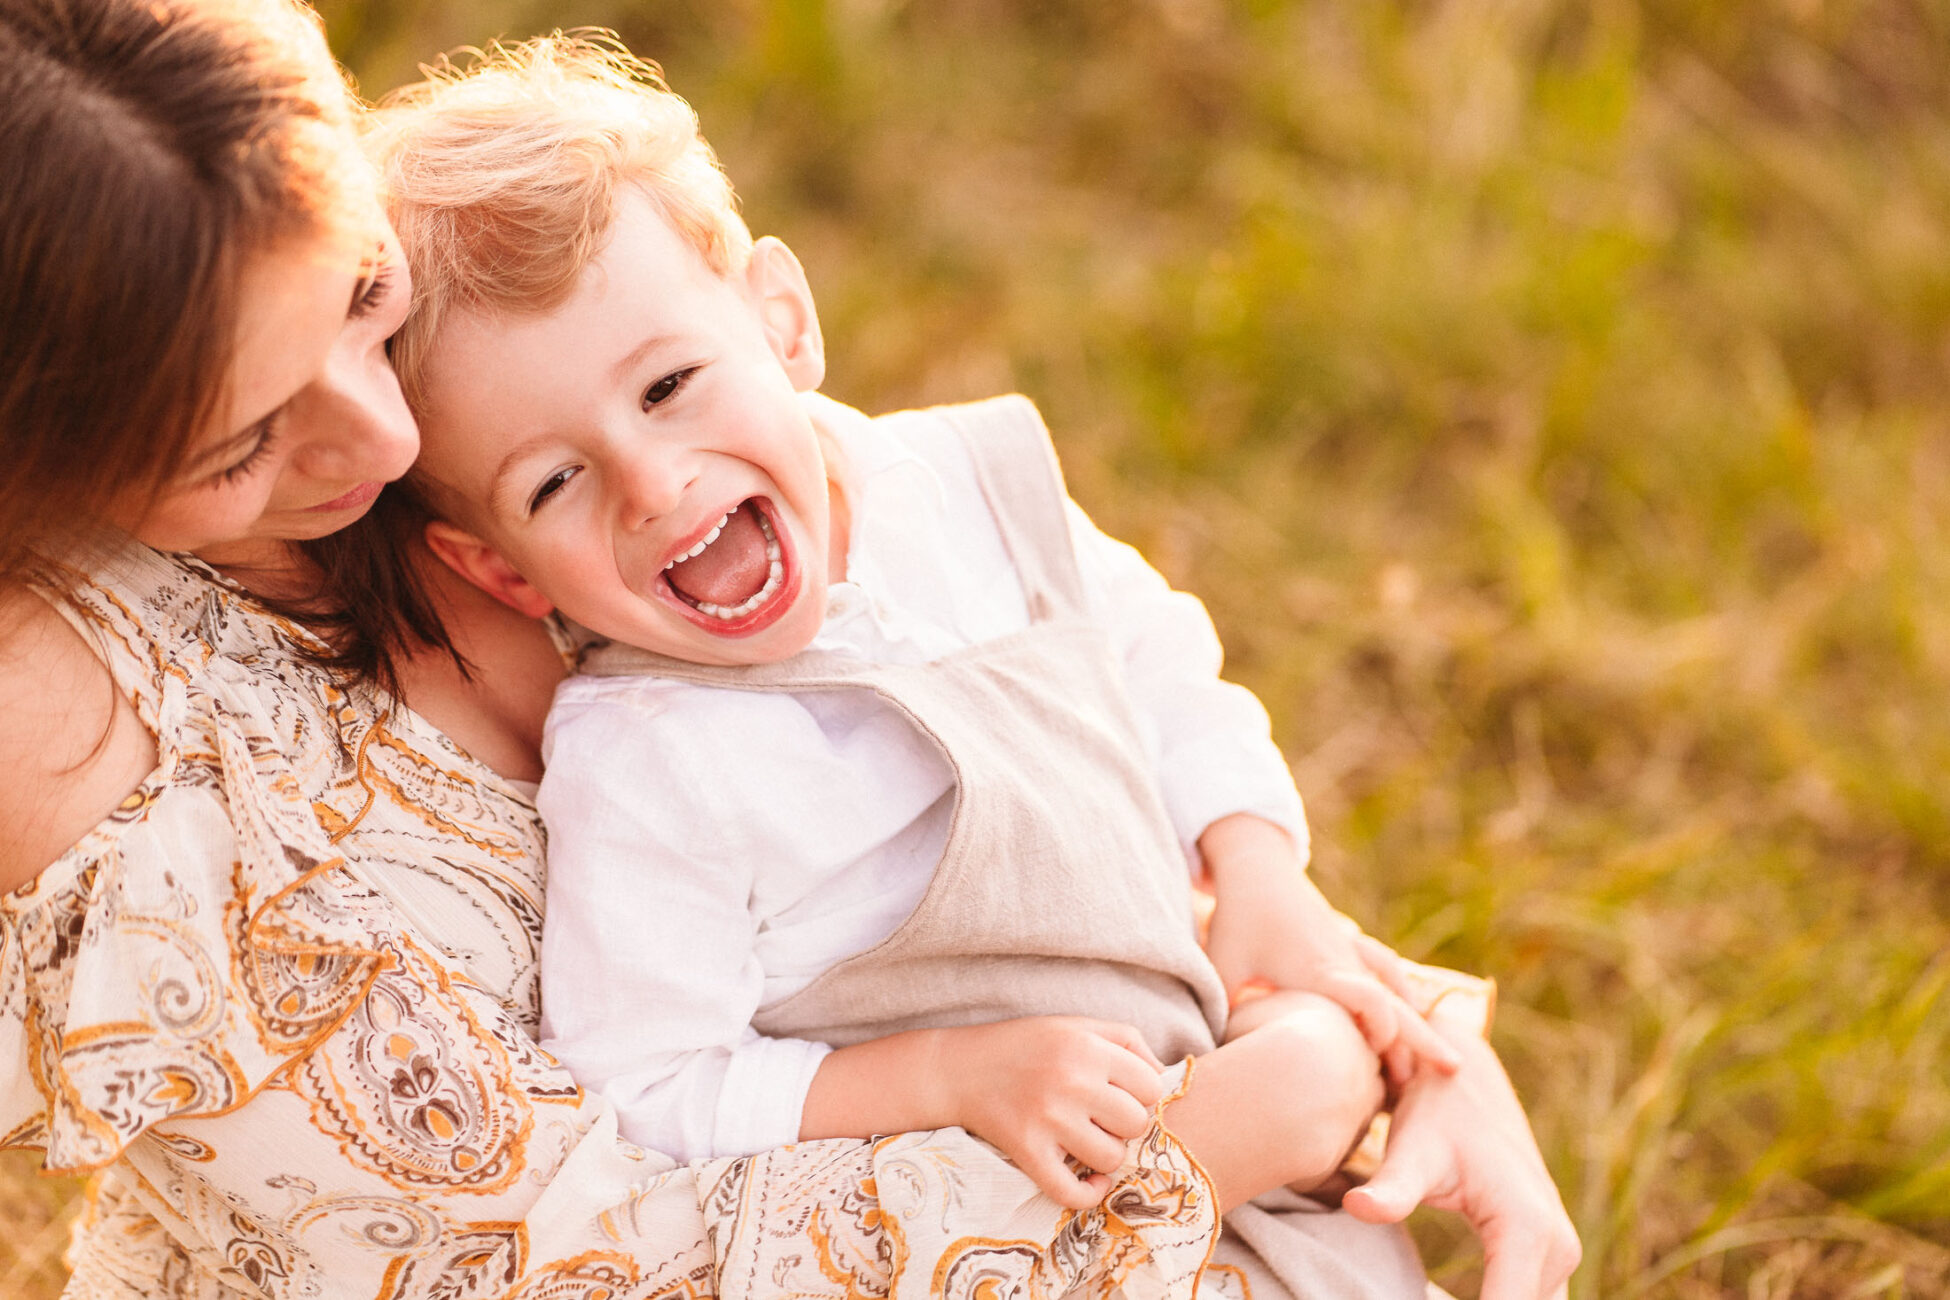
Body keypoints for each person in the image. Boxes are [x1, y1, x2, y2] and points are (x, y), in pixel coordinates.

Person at [0, 3, 1577, 1297]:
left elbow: (1088, 694)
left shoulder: (560, 430)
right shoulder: (78, 719)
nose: (388, 433)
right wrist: (1248, 1118)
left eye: (361, 298)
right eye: (244, 439)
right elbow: (587, 1254)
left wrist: (1382, 1027)